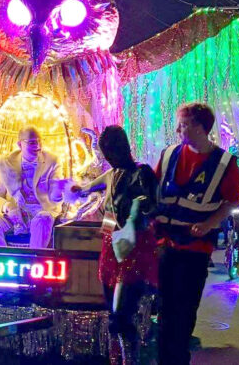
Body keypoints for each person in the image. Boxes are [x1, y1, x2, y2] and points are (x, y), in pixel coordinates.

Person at [152, 103, 239, 365]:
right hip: (166, 244)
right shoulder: (169, 154)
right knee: (165, 308)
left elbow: (232, 201)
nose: (178, 129)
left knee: (185, 308)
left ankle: (178, 359)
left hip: (195, 249)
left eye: (184, 124)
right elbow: (155, 191)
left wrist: (210, 223)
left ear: (201, 128)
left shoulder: (224, 163)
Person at [72, 126, 158, 365]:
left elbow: (151, 205)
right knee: (113, 311)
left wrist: (133, 214)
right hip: (111, 248)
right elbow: (96, 185)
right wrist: (80, 190)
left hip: (132, 250)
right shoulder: (113, 173)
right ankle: (117, 358)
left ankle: (129, 359)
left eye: (110, 151)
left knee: (121, 315)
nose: (108, 157)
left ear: (122, 148)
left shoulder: (141, 173)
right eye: (105, 153)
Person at [0, 127, 62, 249]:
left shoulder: (52, 161)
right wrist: (7, 207)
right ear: (20, 144)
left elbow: (57, 190)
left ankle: (33, 262)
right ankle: (3, 260)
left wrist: (63, 190)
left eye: (40, 141)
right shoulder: (6, 164)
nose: (38, 146)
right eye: (32, 142)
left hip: (39, 216)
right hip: (14, 218)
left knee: (44, 217)